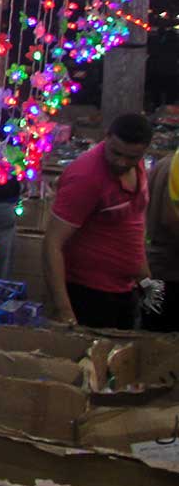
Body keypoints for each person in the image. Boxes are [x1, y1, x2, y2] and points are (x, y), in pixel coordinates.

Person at [46, 113, 152, 328]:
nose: (121, 162)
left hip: (125, 291)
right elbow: (52, 244)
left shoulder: (137, 167)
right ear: (107, 137)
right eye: (116, 153)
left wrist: (148, 284)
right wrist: (65, 312)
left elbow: (131, 228)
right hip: (89, 295)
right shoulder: (86, 177)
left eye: (131, 157)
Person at [147, 147, 179, 334]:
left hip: (154, 269)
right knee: (163, 338)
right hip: (170, 272)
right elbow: (172, 219)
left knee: (149, 328)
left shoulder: (164, 163)